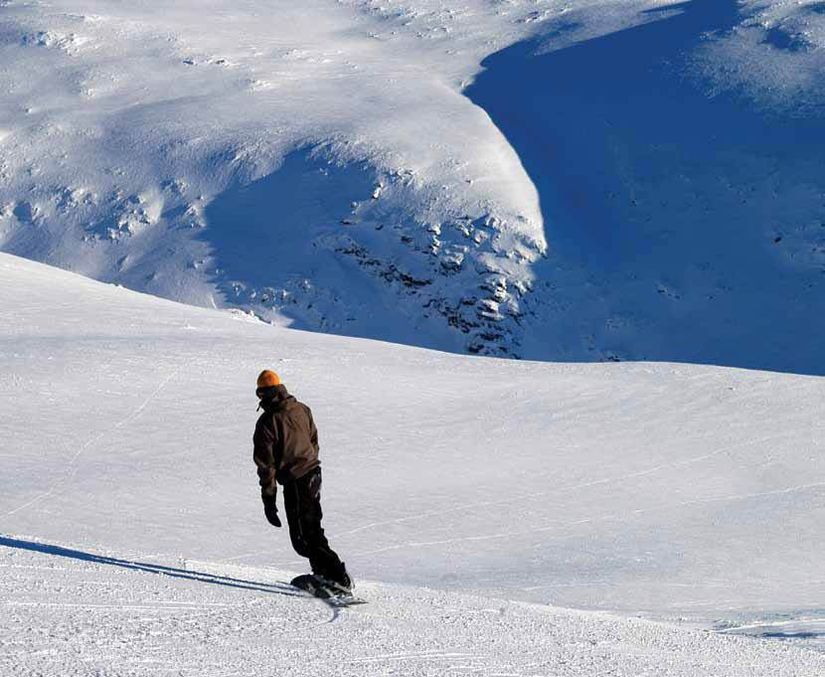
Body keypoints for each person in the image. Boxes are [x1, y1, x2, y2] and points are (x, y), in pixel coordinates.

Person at [252, 369, 352, 593]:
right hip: (313, 473)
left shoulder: (268, 422)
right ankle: (323, 573)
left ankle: (336, 576)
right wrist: (310, 463)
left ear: (262, 394)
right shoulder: (301, 409)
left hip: (297, 479)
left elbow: (265, 466)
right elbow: (313, 439)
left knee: (304, 536)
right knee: (310, 528)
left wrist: (269, 499)